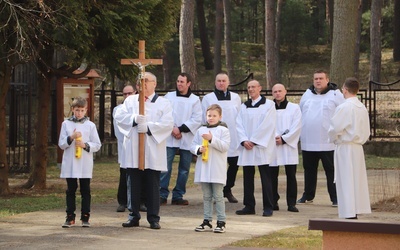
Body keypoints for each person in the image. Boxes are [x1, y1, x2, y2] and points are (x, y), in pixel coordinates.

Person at [114, 72, 174, 230]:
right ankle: (133, 215)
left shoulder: (163, 103)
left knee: (152, 185)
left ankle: (153, 217)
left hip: (152, 149)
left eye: (148, 81)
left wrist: (148, 127)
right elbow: (119, 116)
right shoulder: (131, 101)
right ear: (137, 85)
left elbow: (167, 124)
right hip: (134, 149)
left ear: (155, 84)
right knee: (133, 184)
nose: (144, 84)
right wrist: (133, 119)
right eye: (141, 81)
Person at [297, 70, 345, 206]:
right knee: (309, 170)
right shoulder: (306, 95)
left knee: (331, 171)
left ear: (327, 80)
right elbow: (300, 113)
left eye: (321, 78)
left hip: (328, 141)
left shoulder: (336, 95)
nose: (318, 81)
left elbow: (343, 113)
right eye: (316, 79)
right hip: (308, 141)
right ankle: (308, 195)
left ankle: (335, 197)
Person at [328, 77, 371, 219]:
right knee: (356, 179)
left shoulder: (344, 107)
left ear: (345, 90)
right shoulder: (362, 107)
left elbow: (335, 128)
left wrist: (333, 138)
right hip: (358, 147)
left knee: (346, 178)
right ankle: (356, 208)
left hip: (346, 147)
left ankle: (348, 211)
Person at [58, 96, 102, 228]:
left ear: (86, 110)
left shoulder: (90, 125)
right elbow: (61, 144)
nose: (79, 113)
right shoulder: (66, 124)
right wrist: (71, 137)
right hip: (71, 162)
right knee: (71, 190)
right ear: (72, 110)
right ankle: (70, 216)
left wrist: (85, 145)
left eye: (82, 110)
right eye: (77, 110)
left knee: (85, 190)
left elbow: (97, 144)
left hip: (84, 162)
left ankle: (85, 216)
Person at [160, 73, 202, 205]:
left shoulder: (195, 100)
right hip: (170, 135)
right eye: (178, 81)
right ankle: (162, 194)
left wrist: (181, 129)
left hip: (187, 137)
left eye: (182, 82)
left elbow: (197, 118)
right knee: (165, 166)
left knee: (184, 168)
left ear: (188, 83)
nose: (179, 84)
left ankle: (178, 195)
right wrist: (173, 128)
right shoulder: (169, 96)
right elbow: (164, 113)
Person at [235, 80, 276, 217]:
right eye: (249, 87)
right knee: (247, 177)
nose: (251, 89)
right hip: (247, 146)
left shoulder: (269, 105)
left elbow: (268, 125)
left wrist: (254, 140)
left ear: (260, 88)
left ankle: (268, 206)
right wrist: (243, 140)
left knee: (266, 177)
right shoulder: (243, 107)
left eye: (253, 87)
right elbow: (238, 124)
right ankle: (249, 205)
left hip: (261, 147)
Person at [201, 72, 241, 203]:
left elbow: (239, 117)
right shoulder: (208, 98)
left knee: (234, 164)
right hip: (214, 136)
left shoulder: (235, 97)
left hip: (233, 135)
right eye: (219, 81)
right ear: (215, 82)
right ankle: (215, 192)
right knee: (217, 165)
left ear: (228, 82)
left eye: (224, 81)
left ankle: (227, 189)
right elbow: (204, 117)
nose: (221, 83)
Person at [191, 104, 230, 233]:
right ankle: (207, 220)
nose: (211, 118)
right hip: (204, 167)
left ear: (220, 116)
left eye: (214, 116)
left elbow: (224, 146)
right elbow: (193, 145)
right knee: (207, 196)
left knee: (218, 196)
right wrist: (198, 149)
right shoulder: (200, 130)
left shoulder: (223, 130)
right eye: (209, 115)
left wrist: (212, 139)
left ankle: (221, 221)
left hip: (216, 167)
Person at [269, 83, 302, 213]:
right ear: (272, 93)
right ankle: (273, 201)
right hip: (273, 145)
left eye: (280, 91)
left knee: (291, 175)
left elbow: (297, 125)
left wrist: (284, 139)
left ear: (285, 92)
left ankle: (291, 203)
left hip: (288, 145)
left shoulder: (294, 108)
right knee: (272, 175)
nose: (277, 93)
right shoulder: (268, 108)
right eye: (275, 91)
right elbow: (266, 125)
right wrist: (275, 137)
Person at [113, 85, 135, 212]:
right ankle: (123, 201)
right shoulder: (118, 109)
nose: (127, 96)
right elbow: (119, 130)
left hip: (138, 147)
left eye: (129, 93)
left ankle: (141, 201)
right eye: (124, 94)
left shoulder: (139, 108)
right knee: (124, 174)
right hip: (125, 145)